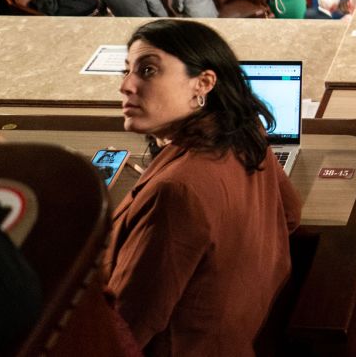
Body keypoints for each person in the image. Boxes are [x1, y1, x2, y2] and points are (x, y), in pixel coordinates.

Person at [108, 19, 300, 354]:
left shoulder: (175, 190)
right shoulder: (245, 132)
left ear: (203, 83)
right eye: (126, 71)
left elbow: (125, 329)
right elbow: (290, 215)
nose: (126, 86)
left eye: (148, 70)